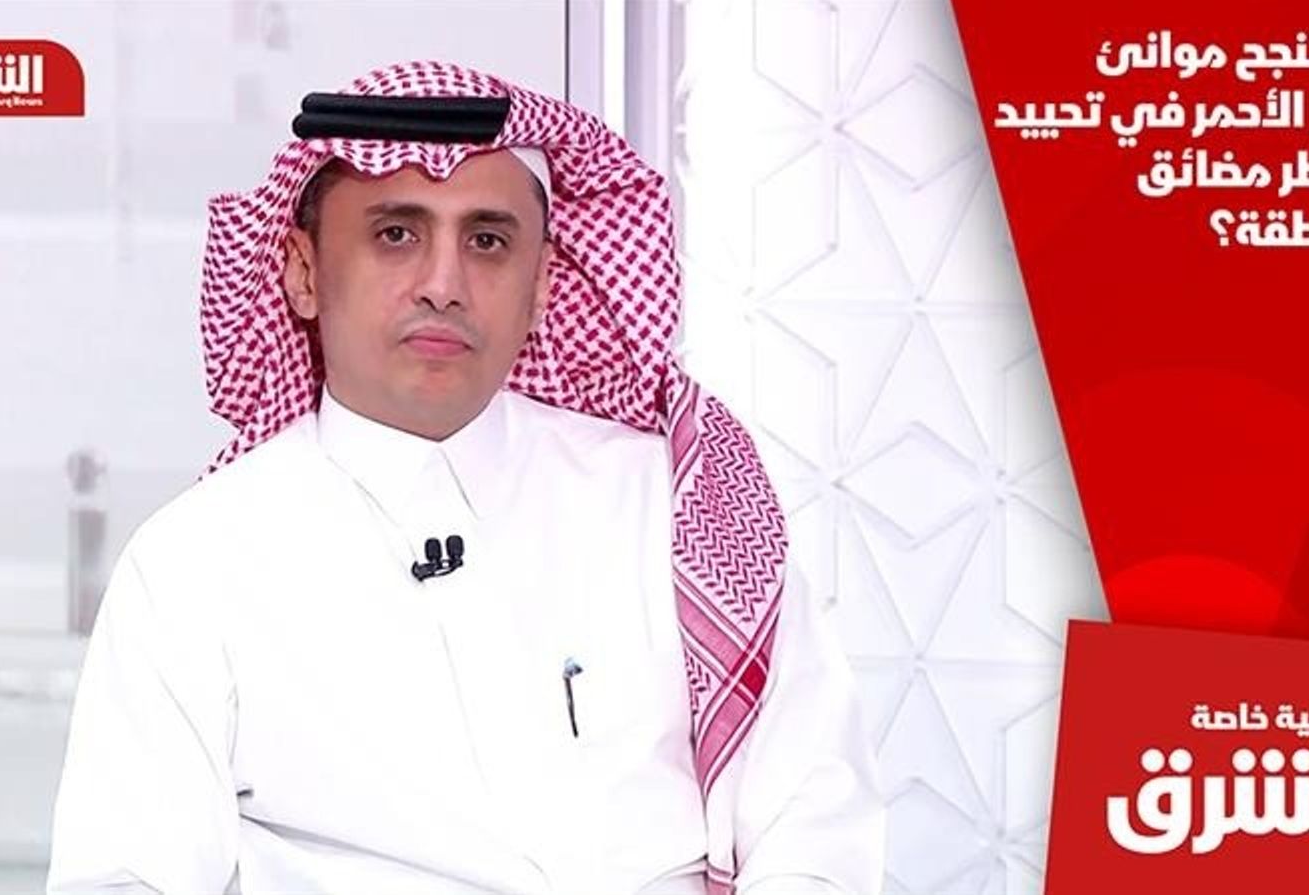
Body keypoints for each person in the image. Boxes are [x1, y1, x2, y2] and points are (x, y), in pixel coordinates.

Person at [47, 61, 883, 895]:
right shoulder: (196, 563)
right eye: (396, 234)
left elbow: (813, 815)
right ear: (303, 272)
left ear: (542, 284)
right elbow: (122, 878)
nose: (444, 286)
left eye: (487, 241)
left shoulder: (674, 500)